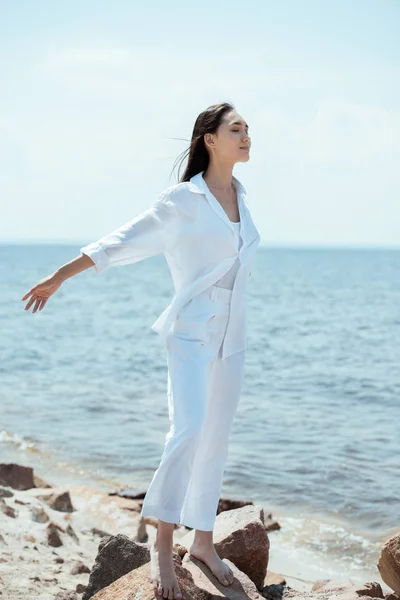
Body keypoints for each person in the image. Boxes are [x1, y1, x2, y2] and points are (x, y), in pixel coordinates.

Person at [21, 102, 261, 600]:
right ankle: (161, 544)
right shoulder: (184, 200)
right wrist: (59, 276)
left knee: (215, 439)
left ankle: (204, 544)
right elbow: (123, 240)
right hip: (192, 332)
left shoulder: (240, 195)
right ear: (209, 140)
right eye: (235, 129)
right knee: (188, 430)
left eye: (248, 129)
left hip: (232, 338)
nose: (246, 136)